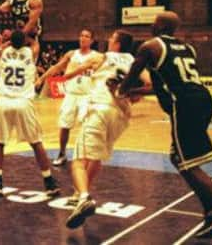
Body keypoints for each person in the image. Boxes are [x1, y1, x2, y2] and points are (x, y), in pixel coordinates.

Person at [117, 12, 212, 244]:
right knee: (179, 159)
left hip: (185, 106)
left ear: (159, 25)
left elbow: (131, 75)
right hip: (201, 101)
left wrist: (121, 90)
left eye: (154, 22)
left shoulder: (150, 46)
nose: (151, 25)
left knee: (188, 166)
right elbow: (170, 85)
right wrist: (137, 91)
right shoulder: (187, 48)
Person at [62, 30, 151, 228]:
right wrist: (129, 93)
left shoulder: (100, 57)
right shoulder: (134, 62)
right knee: (97, 156)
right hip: (121, 115)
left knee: (77, 160)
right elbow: (149, 85)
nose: (109, 40)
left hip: (99, 109)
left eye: (112, 38)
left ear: (117, 44)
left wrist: (78, 69)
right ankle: (80, 195)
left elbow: (68, 74)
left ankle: (83, 196)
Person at [0, 30, 59, 197]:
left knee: (0, 142)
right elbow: (36, 44)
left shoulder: (2, 52)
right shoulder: (30, 52)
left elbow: (1, 47)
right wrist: (32, 31)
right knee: (36, 143)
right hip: (23, 102)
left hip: (4, 101)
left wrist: (10, 41)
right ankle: (49, 182)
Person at [35, 29, 98, 166]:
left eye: (86, 36)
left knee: (86, 126)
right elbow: (56, 67)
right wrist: (41, 78)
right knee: (64, 125)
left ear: (92, 40)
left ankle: (84, 155)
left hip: (87, 96)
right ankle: (62, 153)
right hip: (71, 94)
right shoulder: (71, 54)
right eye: (81, 35)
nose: (83, 38)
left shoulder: (96, 56)